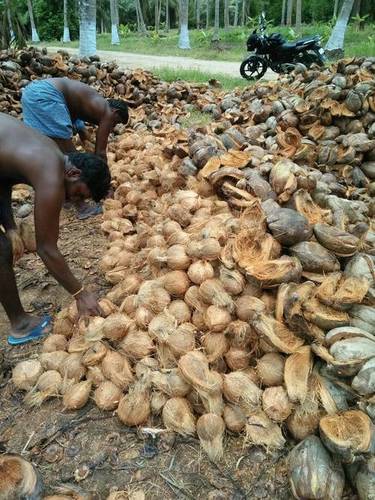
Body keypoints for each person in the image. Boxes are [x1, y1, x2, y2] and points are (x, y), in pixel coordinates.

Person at [0, 113, 110, 345]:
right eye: (78, 193)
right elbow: (46, 248)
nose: (71, 199)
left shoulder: (49, 151)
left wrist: (10, 226)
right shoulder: (51, 173)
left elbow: (3, 178)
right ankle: (20, 325)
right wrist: (81, 294)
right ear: (74, 173)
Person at [21, 77, 130, 162]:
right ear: (115, 111)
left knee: (43, 144)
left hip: (32, 91)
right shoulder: (108, 113)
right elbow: (100, 153)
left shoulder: (92, 104)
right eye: (116, 122)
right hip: (47, 96)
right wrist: (104, 180)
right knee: (72, 157)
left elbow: (81, 129)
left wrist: (86, 142)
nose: (112, 126)